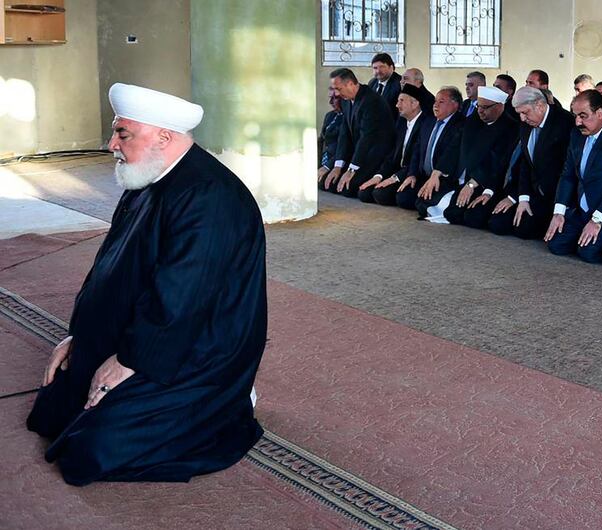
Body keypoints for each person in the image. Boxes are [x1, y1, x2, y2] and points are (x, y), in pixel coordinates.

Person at [26, 83, 268, 486]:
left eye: (122, 134)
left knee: (90, 451)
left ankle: (232, 401)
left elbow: (183, 298)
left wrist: (129, 361)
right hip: (153, 324)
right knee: (54, 407)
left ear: (164, 137)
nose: (111, 144)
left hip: (197, 344)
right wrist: (79, 337)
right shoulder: (148, 177)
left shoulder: (209, 197)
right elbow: (110, 267)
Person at [544, 89, 602, 263]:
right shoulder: (576, 135)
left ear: (600, 113)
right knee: (555, 245)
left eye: (583, 116)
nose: (578, 121)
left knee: (588, 253)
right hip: (581, 210)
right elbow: (568, 175)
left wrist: (597, 220)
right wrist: (559, 212)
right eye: (575, 116)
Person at [487, 86, 572, 239]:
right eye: (519, 113)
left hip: (556, 195)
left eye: (525, 113)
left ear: (540, 105)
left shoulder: (564, 123)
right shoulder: (526, 122)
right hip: (533, 191)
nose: (522, 119)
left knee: (525, 229)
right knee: (497, 223)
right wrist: (522, 198)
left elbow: (566, 171)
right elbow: (526, 163)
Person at [439, 86, 518, 227]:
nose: (480, 111)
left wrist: (472, 184)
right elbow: (455, 147)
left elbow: (496, 161)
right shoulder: (473, 120)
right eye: (478, 106)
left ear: (500, 106)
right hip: (467, 178)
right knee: (452, 213)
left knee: (474, 218)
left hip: (490, 182)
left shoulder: (510, 127)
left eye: (485, 107)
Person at [322, 68, 396, 198]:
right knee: (326, 182)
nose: (336, 94)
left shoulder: (371, 101)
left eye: (338, 89)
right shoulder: (346, 100)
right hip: (359, 153)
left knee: (346, 188)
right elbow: (344, 134)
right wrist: (337, 166)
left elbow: (366, 138)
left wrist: (351, 170)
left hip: (376, 155)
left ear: (351, 84)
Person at [359, 84, 433, 205]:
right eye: (398, 101)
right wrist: (379, 176)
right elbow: (392, 153)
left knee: (386, 195)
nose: (397, 105)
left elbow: (418, 159)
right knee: (364, 193)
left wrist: (395, 178)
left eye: (401, 101)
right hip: (396, 169)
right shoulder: (402, 123)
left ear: (415, 104)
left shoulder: (426, 124)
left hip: (413, 173)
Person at [412, 87, 466, 215]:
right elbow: (417, 150)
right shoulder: (429, 121)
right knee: (402, 196)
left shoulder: (461, 124)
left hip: (444, 177)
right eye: (435, 101)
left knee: (422, 204)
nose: (435, 105)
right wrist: (412, 174)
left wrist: (437, 174)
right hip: (424, 175)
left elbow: (451, 152)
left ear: (455, 105)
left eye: (441, 102)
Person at [317, 88, 343, 178]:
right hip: (324, 159)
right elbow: (322, 141)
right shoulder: (329, 115)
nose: (331, 102)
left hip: (337, 163)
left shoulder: (348, 117)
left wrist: (328, 166)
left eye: (335, 98)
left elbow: (345, 148)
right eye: (330, 98)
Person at [367, 53, 402, 119]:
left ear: (391, 67)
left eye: (382, 67)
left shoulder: (400, 84)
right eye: (375, 68)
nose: (378, 71)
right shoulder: (372, 83)